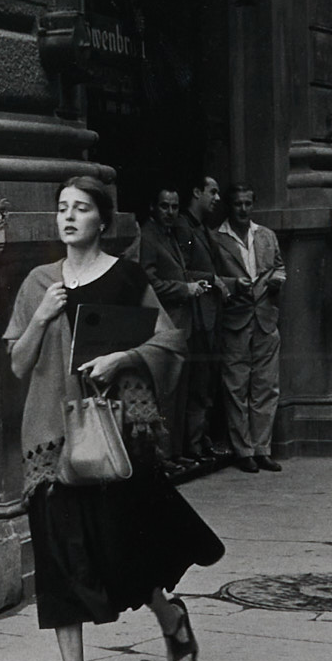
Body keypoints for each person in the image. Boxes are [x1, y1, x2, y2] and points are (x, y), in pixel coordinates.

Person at [2, 176, 225, 661]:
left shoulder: (126, 278)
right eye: (62, 208)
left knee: (122, 544)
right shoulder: (38, 282)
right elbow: (17, 363)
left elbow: (170, 341)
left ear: (103, 220)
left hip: (116, 431)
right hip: (52, 436)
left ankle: (167, 612)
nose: (69, 216)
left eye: (81, 208)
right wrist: (41, 316)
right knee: (59, 560)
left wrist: (123, 358)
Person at [213, 182, 286, 472]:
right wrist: (232, 285)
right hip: (235, 319)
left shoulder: (266, 235)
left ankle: (262, 448)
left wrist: (278, 279)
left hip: (266, 318)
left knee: (266, 386)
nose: (243, 209)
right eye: (237, 204)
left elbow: (279, 266)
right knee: (236, 386)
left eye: (247, 204)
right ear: (229, 206)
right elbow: (212, 276)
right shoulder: (216, 238)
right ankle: (243, 451)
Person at [127, 186, 200, 468]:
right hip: (163, 323)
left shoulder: (170, 235)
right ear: (153, 208)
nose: (170, 212)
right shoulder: (148, 235)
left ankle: (174, 451)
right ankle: (163, 455)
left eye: (174, 207)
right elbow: (148, 281)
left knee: (180, 389)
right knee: (165, 390)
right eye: (164, 206)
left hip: (182, 323)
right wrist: (184, 289)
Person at [175, 173, 229, 462]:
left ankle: (202, 440)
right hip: (196, 318)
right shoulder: (184, 228)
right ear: (197, 192)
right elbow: (181, 271)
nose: (217, 198)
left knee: (207, 381)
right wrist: (212, 279)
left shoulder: (202, 228)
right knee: (198, 382)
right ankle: (193, 445)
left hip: (209, 315)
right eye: (213, 191)